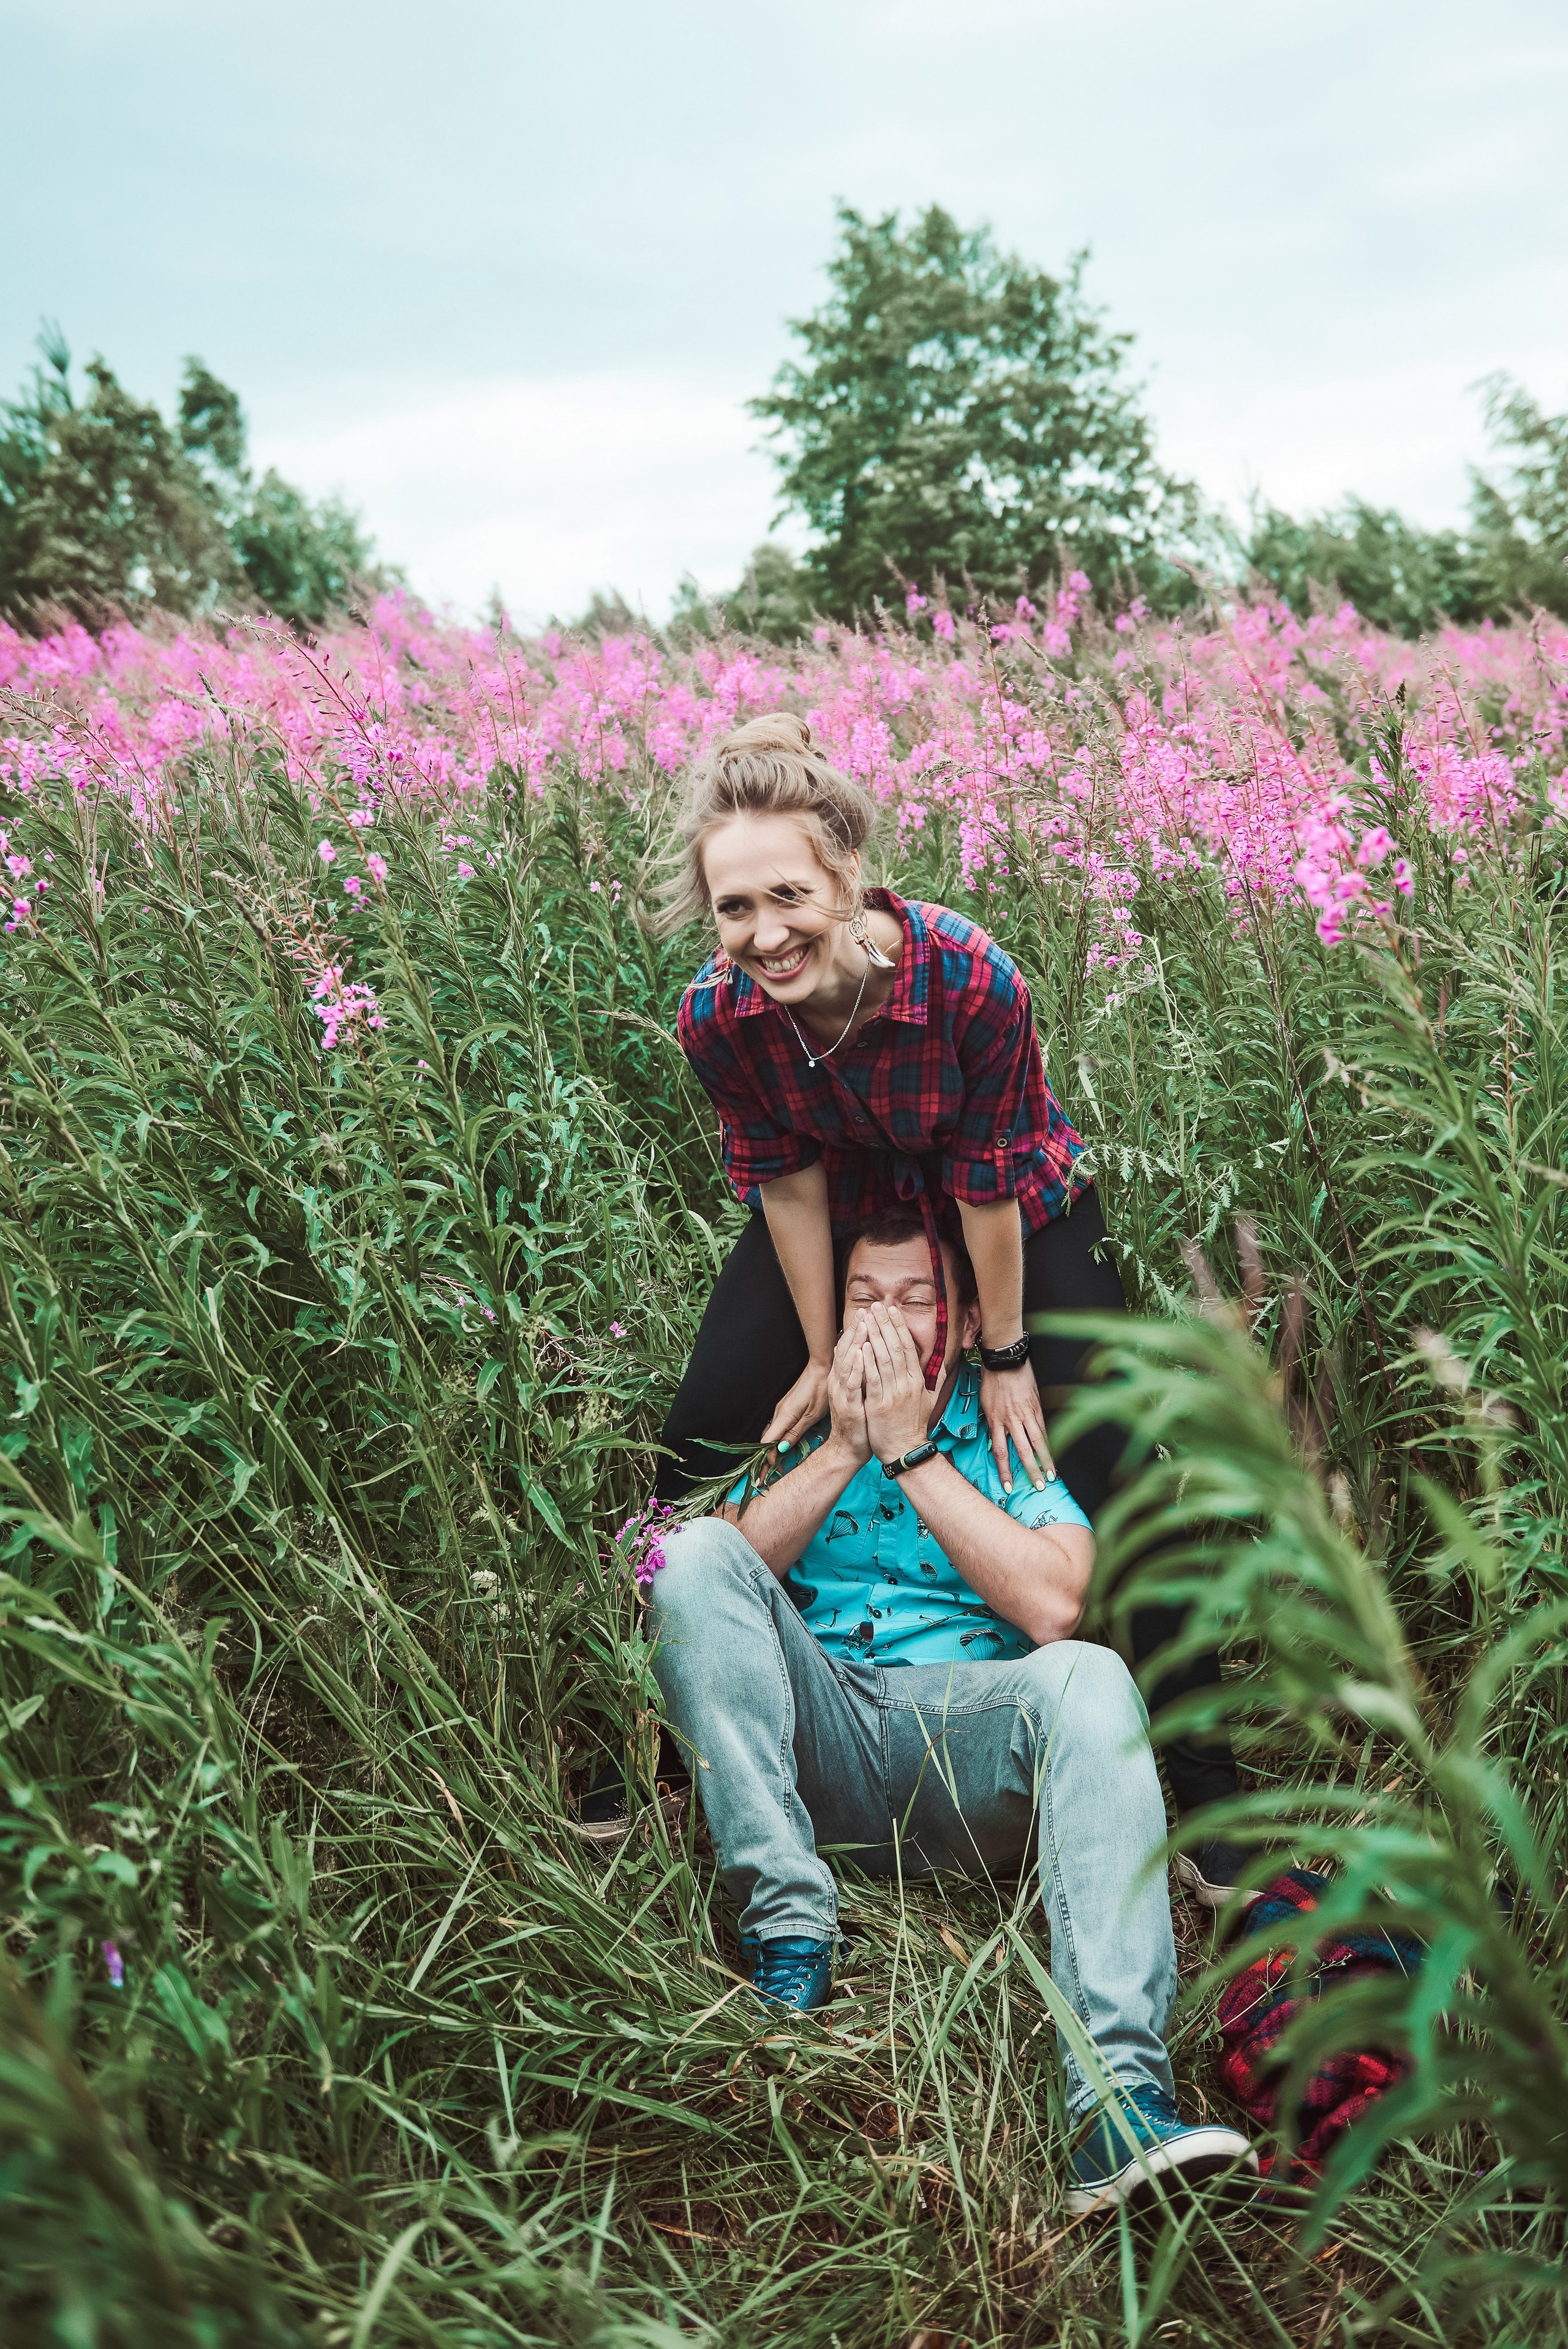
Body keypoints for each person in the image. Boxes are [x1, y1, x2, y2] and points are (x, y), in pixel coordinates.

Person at [650, 711, 1245, 1902]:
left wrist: (1006, 1347)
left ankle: (1214, 1793)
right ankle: (672, 1747)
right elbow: (786, 1183)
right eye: (733, 909)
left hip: (1013, 1200)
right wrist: (825, 1354)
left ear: (847, 877)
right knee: (697, 1437)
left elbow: (984, 1184)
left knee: (1112, 1457)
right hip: (845, 1201)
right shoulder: (719, 1017)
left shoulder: (965, 975)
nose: (763, 934)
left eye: (788, 898)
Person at [649, 1212, 1257, 2214]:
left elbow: (1057, 1602)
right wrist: (845, 1446)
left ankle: (1116, 2104)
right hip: (825, 1737)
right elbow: (713, 1600)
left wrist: (912, 1452)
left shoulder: (1006, 1424)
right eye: (863, 1300)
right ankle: (790, 1930)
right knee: (690, 1554)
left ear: (968, 1321)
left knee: (1090, 1673)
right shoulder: (804, 1417)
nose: (885, 1324)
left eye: (916, 1298)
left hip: (970, 1751)